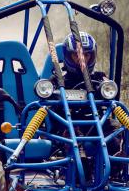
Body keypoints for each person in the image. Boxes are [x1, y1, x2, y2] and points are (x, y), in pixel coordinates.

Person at [50, 31, 123, 179]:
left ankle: (112, 170)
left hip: (97, 125)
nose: (81, 59)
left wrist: (103, 88)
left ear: (92, 56)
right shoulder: (58, 80)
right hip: (66, 126)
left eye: (87, 55)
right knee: (70, 145)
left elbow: (111, 94)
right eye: (76, 55)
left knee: (115, 140)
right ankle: (74, 170)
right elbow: (48, 104)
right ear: (68, 56)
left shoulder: (99, 78)